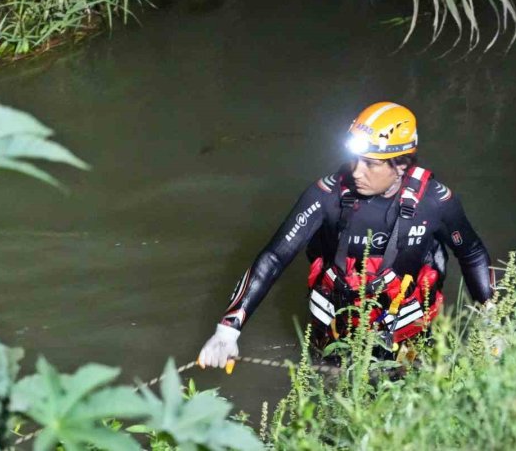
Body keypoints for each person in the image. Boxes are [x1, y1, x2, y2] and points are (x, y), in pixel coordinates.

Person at [197, 102, 496, 369]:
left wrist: (491, 319)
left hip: (408, 334)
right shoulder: (326, 196)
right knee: (331, 404)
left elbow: (471, 253)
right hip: (335, 331)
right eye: (354, 159)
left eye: (371, 163)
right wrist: (228, 330)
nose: (356, 171)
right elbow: (275, 257)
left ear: (402, 163)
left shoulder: (435, 202)